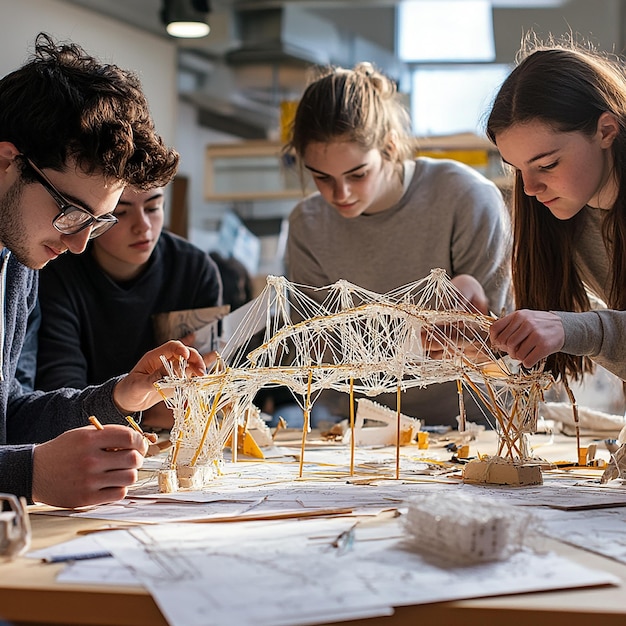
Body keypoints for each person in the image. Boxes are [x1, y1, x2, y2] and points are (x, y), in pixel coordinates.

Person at [0, 33, 206, 509]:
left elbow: (7, 418)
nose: (75, 246)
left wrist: (121, 396)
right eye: (70, 212)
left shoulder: (15, 261)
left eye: (95, 224)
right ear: (8, 161)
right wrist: (27, 473)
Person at [283, 63, 512, 428]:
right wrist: (421, 332)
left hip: (475, 426)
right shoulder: (307, 224)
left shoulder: (466, 197)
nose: (339, 194)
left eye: (358, 174)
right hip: (365, 432)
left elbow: (493, 341)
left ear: (389, 146)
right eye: (321, 177)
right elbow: (316, 348)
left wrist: (466, 322)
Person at [486, 37, 626, 385]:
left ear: (606, 130)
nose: (530, 189)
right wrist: (492, 341)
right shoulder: (569, 212)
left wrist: (573, 329)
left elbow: (585, 329)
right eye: (518, 169)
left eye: (546, 164)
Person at [30, 185, 223, 429]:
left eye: (154, 207)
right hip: (86, 437)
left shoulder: (195, 269)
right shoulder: (56, 272)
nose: (143, 226)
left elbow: (208, 382)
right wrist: (147, 411)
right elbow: (61, 397)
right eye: (121, 212)